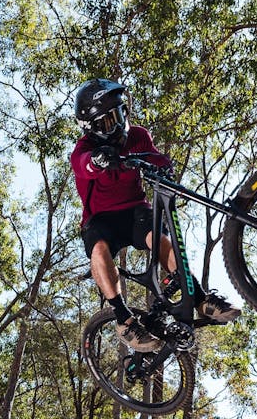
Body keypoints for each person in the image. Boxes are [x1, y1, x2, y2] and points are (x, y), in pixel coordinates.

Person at [71, 78, 240, 352]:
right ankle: (124, 319)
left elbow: (157, 159)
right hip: (100, 218)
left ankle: (200, 299)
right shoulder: (84, 150)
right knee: (98, 250)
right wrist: (97, 160)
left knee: (161, 239)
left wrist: (164, 169)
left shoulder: (138, 135)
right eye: (107, 120)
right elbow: (82, 165)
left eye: (119, 114)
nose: (117, 124)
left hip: (136, 210)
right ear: (91, 128)